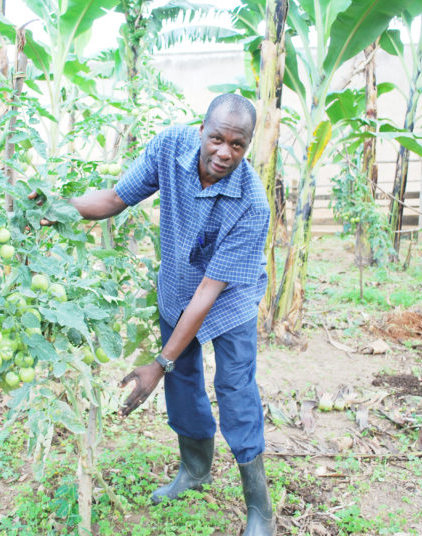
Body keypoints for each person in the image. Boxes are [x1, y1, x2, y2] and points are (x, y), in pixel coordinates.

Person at [35, 93, 273, 535]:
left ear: (248, 145)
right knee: (183, 381)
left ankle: (259, 508)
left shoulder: (252, 204)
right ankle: (195, 469)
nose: (224, 152)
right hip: (180, 285)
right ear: (201, 130)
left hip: (229, 298)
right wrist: (58, 207)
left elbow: (209, 295)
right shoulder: (169, 148)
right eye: (217, 138)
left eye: (237, 145)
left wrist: (157, 363)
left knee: (235, 388)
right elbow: (114, 199)